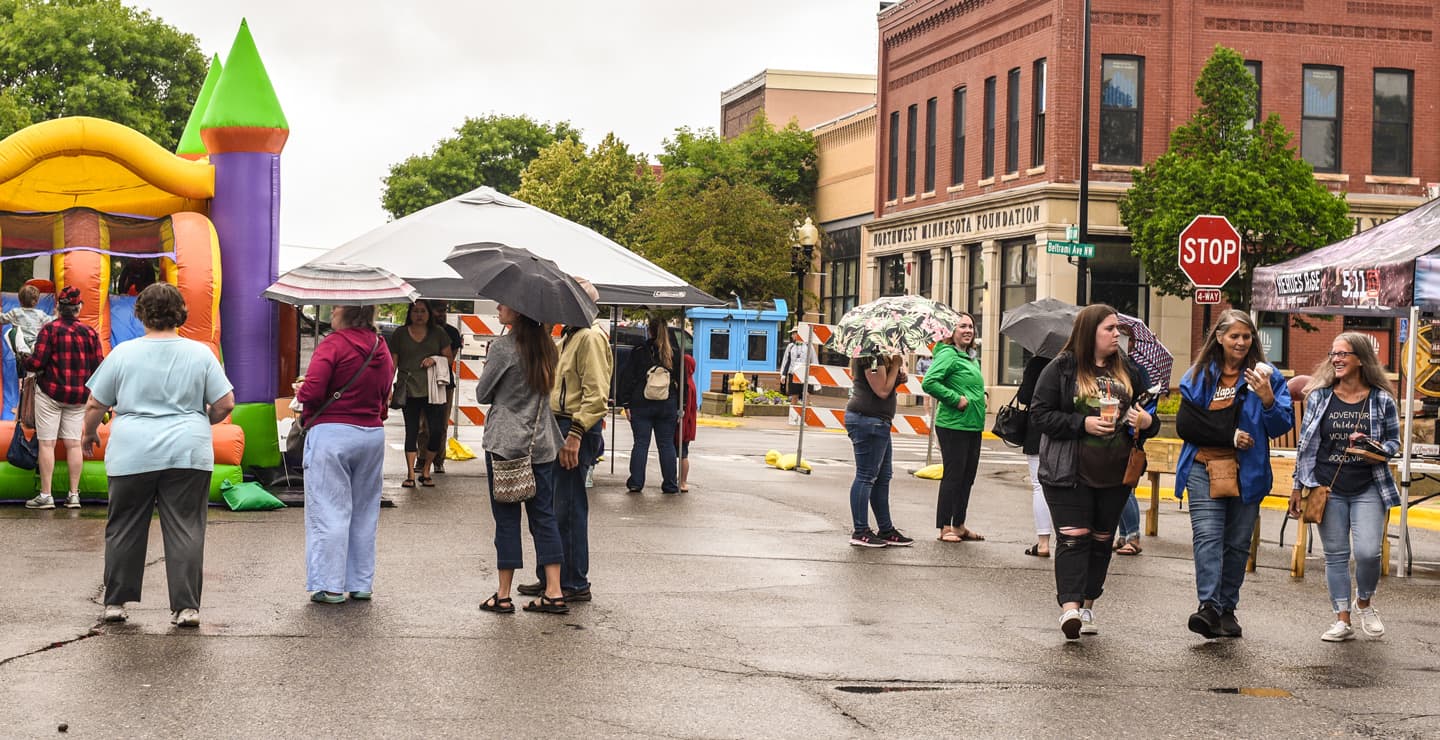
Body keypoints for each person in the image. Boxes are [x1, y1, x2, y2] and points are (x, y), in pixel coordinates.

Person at [82, 283, 235, 627]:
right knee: (186, 529)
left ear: (140, 314)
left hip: (132, 451)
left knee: (123, 526)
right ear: (181, 312)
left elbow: (96, 402)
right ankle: (186, 608)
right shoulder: (200, 354)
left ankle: (116, 604)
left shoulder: (123, 354)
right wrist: (199, 421)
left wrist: (89, 432)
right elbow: (225, 403)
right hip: (187, 451)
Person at [1030, 304, 1156, 639]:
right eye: (1109, 329)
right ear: (1090, 333)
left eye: (1118, 329)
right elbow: (1039, 415)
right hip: (1069, 471)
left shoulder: (1129, 369)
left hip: (1115, 474)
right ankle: (1069, 610)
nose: (1117, 335)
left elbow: (1148, 416)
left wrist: (1146, 421)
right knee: (1073, 539)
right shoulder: (1062, 368)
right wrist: (1082, 422)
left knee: (1101, 541)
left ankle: (1087, 606)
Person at [1174, 309, 1292, 639]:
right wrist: (1226, 435)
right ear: (1220, 338)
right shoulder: (1200, 375)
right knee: (1208, 537)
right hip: (1203, 467)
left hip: (1247, 471)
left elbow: (1281, 426)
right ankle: (1208, 606)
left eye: (1247, 336)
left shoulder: (1267, 377)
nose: (1241, 342)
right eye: (1234, 336)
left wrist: (1268, 398)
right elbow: (1187, 426)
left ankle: (1227, 608)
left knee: (1238, 543)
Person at [1289, 332, 1400, 643]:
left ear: (1361, 359)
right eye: (1333, 353)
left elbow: (1394, 442)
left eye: (1343, 354)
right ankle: (1342, 618)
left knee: (1368, 552)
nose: (1335, 359)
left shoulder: (1381, 399)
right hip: (1328, 486)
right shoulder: (1320, 396)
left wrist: (1376, 448)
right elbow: (1306, 446)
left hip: (1368, 485)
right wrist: (1298, 487)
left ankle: (1364, 602)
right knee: (1336, 555)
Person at [518, 276, 610, 603]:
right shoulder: (571, 336)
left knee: (568, 508)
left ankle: (573, 582)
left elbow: (596, 396)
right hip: (561, 425)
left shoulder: (588, 338)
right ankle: (551, 577)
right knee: (553, 507)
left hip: (573, 428)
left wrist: (575, 434)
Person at [296, 305, 394, 605]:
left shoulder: (333, 344)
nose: (333, 311)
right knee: (364, 511)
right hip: (371, 435)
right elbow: (384, 392)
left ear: (346, 313)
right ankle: (361, 582)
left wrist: (300, 391)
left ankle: (331, 585)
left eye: (336, 307)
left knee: (330, 510)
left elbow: (312, 392)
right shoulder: (381, 346)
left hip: (333, 434)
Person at [474, 303, 568, 615]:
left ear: (519, 311)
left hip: (506, 444)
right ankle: (554, 590)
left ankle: (503, 595)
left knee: (506, 519)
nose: (499, 307)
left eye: (504, 304)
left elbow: (482, 394)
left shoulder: (503, 347)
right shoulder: (548, 348)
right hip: (540, 443)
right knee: (544, 516)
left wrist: (492, 359)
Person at [23, 286, 101, 510]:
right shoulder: (90, 333)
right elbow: (99, 367)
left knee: (47, 443)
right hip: (79, 397)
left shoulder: (49, 330)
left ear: (58, 307)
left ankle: (46, 495)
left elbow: (37, 363)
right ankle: (74, 495)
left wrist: (24, 359)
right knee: (74, 443)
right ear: (79, 308)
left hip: (51, 393)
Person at [921, 312, 986, 543]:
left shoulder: (969, 357)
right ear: (952, 331)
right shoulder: (948, 354)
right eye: (962, 326)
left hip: (972, 425)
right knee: (953, 476)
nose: (968, 330)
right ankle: (944, 527)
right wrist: (955, 398)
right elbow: (929, 382)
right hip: (953, 425)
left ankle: (959, 524)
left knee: (967, 477)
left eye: (970, 326)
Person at [845, 354, 913, 548]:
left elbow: (884, 386)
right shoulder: (871, 356)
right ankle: (860, 531)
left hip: (879, 421)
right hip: (868, 420)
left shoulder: (877, 355)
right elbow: (881, 390)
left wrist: (896, 378)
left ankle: (886, 529)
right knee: (866, 476)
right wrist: (896, 365)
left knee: (883, 477)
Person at [387, 301, 452, 488]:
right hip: (409, 389)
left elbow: (449, 358)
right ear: (410, 313)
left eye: (423, 311)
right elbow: (393, 363)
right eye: (415, 311)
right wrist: (387, 389)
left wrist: (434, 359)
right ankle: (410, 474)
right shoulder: (400, 334)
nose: (419, 315)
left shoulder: (438, 333)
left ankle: (426, 469)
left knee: (436, 431)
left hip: (433, 390)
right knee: (411, 430)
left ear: (429, 314)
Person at [617, 316, 682, 495]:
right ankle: (670, 483)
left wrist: (626, 403)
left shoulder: (639, 351)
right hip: (667, 404)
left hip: (640, 403)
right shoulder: (674, 353)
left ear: (650, 331)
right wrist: (680, 405)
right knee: (666, 444)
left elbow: (627, 377)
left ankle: (636, 482)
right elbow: (682, 382)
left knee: (641, 444)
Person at [415, 300, 463, 474]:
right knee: (423, 425)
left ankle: (438, 460)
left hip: (444, 383)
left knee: (441, 424)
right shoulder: (421, 332)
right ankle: (421, 458)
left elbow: (450, 359)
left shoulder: (451, 332)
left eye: (444, 310)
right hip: (423, 382)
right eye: (438, 310)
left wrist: (436, 359)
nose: (442, 314)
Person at [1016, 354, 1053, 557]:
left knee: (1039, 486)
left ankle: (1043, 543)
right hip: (1066, 432)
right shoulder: (1077, 362)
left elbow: (1024, 397)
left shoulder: (1038, 362)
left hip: (1038, 430)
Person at [1, 283, 52, 359]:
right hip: (35, 344)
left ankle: (24, 353)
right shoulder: (40, 314)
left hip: (20, 344)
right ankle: (31, 352)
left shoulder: (15, 312)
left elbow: (2, 319)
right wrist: (57, 313)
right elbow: (53, 321)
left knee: (13, 333)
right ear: (36, 302)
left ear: (20, 300)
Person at [678, 353, 697, 493]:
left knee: (681, 453)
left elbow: (686, 407)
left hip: (683, 425)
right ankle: (681, 481)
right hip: (689, 425)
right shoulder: (692, 382)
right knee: (683, 453)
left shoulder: (686, 385)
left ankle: (682, 481)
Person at [779, 335, 817, 405]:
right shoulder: (791, 346)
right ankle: (794, 415)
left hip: (805, 374)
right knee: (794, 396)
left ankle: (806, 415)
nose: (793, 335)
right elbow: (787, 361)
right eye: (792, 334)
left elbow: (813, 360)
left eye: (795, 333)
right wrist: (783, 374)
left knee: (806, 395)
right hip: (793, 374)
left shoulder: (808, 346)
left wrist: (814, 375)